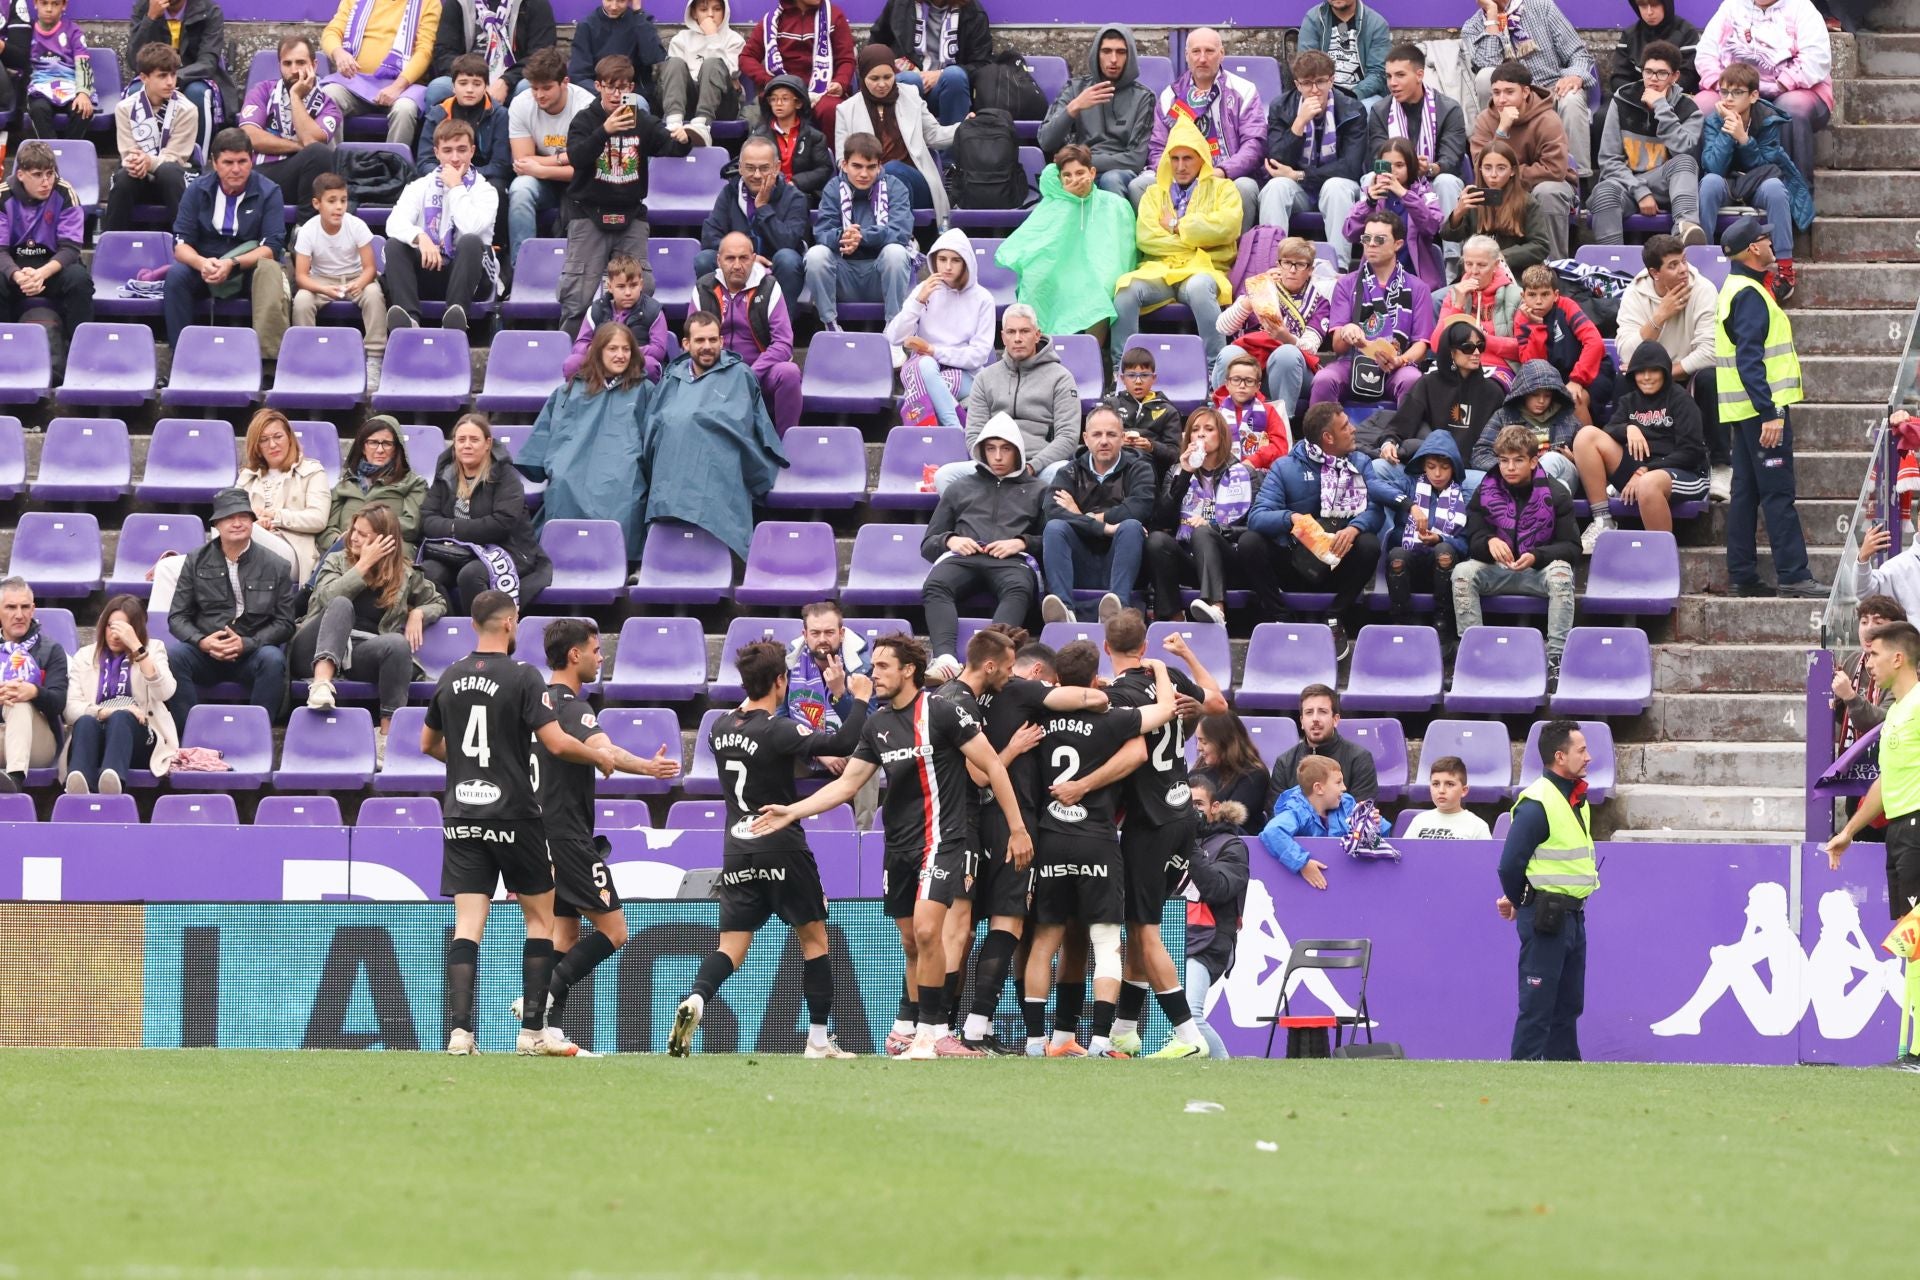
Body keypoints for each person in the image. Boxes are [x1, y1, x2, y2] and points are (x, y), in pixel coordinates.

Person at [753, 633, 1032, 1060]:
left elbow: (992, 764)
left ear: (909, 670)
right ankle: (910, 1029)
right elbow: (848, 783)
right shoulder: (877, 724)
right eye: (874, 666)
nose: (873, 673)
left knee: (927, 929)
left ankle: (933, 1032)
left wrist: (1017, 829)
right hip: (897, 843)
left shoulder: (941, 709)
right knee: (910, 942)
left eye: (883, 666)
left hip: (943, 838)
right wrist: (793, 811)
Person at [421, 589, 618, 1056]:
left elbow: (428, 743)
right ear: (510, 624)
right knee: (539, 921)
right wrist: (597, 755)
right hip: (515, 815)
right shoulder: (524, 676)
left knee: (468, 923)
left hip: (462, 814)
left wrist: (469, 770)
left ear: (474, 625)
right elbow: (555, 743)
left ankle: (460, 1034)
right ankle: (531, 1033)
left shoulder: (449, 676)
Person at [667, 638, 866, 1057]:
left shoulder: (719, 727)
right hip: (781, 844)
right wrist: (855, 697)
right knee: (814, 940)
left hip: (736, 849)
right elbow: (845, 742)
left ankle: (698, 997)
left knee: (731, 946)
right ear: (781, 681)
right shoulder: (779, 729)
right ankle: (816, 1041)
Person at [530, 617, 680, 1056]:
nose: (601, 657)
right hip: (569, 838)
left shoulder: (533, 706)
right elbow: (605, 751)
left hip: (539, 834)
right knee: (615, 930)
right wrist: (649, 768)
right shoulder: (572, 707)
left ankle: (546, 1035)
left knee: (564, 935)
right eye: (596, 650)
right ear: (574, 655)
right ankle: (539, 1005)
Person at [1023, 640, 1176, 1057]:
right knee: (1106, 943)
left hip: (1050, 838)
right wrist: (1160, 670)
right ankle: (1101, 1042)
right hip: (1096, 840)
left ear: (1056, 681)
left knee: (1046, 941)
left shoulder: (1039, 714)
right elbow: (1164, 710)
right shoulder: (1112, 718)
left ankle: (1038, 1042)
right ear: (1095, 681)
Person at [1103, 614, 1228, 1059]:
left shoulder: (1118, 696)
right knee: (1140, 925)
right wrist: (1183, 656)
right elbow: (1217, 703)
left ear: (1106, 646)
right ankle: (1124, 1031)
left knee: (1145, 929)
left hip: (1149, 820)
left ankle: (1187, 1036)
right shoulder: (1170, 677)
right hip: (1180, 809)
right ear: (1145, 644)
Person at [1827, 623, 1920, 1064]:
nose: (1869, 663)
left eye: (1876, 655)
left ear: (1898, 658)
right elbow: (1884, 782)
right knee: (1910, 936)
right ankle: (1913, 1049)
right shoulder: (1899, 711)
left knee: (1918, 936)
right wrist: (1848, 830)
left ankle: (1917, 1050)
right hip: (1899, 831)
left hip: (1918, 826)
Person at [1717, 215, 1822, 598]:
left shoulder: (1736, 288)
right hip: (1760, 413)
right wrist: (1770, 413)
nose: (1771, 241)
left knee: (1746, 493)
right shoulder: (1749, 294)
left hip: (1742, 412)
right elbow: (1750, 361)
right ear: (1752, 249)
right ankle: (1794, 574)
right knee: (1778, 493)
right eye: (1765, 237)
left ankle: (1743, 575)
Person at [634, 311, 787, 563]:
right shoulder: (672, 377)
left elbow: (743, 422)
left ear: (721, 341)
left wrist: (701, 421)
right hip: (673, 462)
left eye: (713, 340)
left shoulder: (740, 374)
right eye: (700, 340)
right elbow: (653, 424)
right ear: (686, 344)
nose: (707, 347)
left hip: (720, 458)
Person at [293, 504, 445, 756]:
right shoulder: (336, 560)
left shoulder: (404, 573)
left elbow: (437, 601)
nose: (353, 537)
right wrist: (362, 566)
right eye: (354, 530)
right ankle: (321, 684)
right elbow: (326, 598)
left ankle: (386, 736)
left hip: (357, 653)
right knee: (341, 603)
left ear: (385, 540)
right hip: (314, 647)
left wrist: (419, 612)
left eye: (364, 534)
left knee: (397, 643)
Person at [558, 54, 689, 336]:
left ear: (632, 89)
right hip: (588, 213)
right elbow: (576, 157)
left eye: (625, 87)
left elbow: (670, 147)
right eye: (611, 87)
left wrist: (684, 139)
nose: (618, 94)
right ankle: (568, 364)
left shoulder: (641, 120)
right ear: (598, 86)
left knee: (639, 293)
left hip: (630, 214)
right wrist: (605, 131)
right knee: (576, 296)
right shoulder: (585, 119)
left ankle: (638, 357)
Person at [1242, 403, 1388, 650]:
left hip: (1338, 564)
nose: (1353, 430)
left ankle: (1335, 615)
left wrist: (1355, 528)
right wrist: (1291, 518)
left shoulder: (1361, 463)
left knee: (1368, 543)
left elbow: (1376, 510)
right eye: (1345, 427)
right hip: (1293, 564)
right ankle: (1280, 617)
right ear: (1328, 437)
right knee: (1249, 542)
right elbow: (1257, 517)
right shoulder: (1285, 467)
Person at [1496, 718, 1598, 1061]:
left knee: (1568, 1005)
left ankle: (1565, 1073)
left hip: (1573, 916)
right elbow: (1510, 864)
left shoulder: (1575, 798)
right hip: (1545, 916)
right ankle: (1523, 1073)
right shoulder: (1538, 802)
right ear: (1559, 756)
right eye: (1581, 750)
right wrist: (1522, 900)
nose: (1589, 757)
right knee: (1538, 1006)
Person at [1111, 116, 1240, 377]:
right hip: (1159, 270)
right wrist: (1196, 239)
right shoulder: (1153, 193)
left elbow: (1227, 227)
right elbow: (1147, 238)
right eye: (1175, 158)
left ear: (1202, 159)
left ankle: (1217, 373)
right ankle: (1121, 372)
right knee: (1125, 289)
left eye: (1188, 158)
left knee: (1200, 288)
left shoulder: (1224, 189)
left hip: (1204, 268)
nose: (1180, 166)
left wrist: (1176, 225)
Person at [1456, 424, 1580, 682]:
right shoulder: (1486, 490)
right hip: (1497, 570)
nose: (1510, 467)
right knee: (1462, 573)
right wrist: (1489, 542)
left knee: (1561, 575)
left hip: (1536, 570)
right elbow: (1472, 537)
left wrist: (1537, 555)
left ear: (1534, 461)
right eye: (1504, 460)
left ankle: (1556, 660)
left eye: (1518, 460)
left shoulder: (1556, 493)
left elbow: (1571, 547)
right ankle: (1473, 656)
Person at [920, 415, 1047, 663]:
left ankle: (988, 661)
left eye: (1005, 449)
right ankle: (944, 659)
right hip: (962, 557)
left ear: (1018, 452)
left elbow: (1050, 541)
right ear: (982, 451)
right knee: (935, 584)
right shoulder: (960, 487)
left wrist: (1022, 542)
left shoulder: (1039, 489)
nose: (998, 456)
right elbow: (928, 543)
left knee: (1019, 587)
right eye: (991, 449)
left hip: (1011, 560)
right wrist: (950, 541)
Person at [516, 322, 648, 557]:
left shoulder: (644, 390)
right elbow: (550, 432)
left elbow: (652, 438)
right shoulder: (569, 391)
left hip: (622, 469)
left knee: (626, 488)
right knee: (563, 481)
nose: (620, 355)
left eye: (626, 349)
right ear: (598, 351)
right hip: (574, 468)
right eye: (613, 349)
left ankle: (621, 561)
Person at [167, 487, 298, 721]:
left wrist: (247, 644)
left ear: (252, 522)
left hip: (252, 652)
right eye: (229, 517)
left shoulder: (277, 565)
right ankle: (189, 736)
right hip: (207, 652)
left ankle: (257, 737)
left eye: (243, 517)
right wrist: (202, 642)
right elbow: (177, 617)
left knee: (273, 660)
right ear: (216, 524)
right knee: (174, 656)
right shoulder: (196, 561)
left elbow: (285, 623)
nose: (237, 523)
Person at [1616, 233, 1728, 501]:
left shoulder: (1702, 289)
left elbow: (1711, 352)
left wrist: (1662, 374)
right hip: (1650, 374)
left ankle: (1722, 465)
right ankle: (1625, 469)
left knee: (1712, 379)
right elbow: (1627, 351)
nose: (1683, 270)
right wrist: (1659, 316)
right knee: (1621, 379)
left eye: (1684, 261)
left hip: (1687, 373)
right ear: (1654, 272)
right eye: (1673, 265)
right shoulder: (1635, 293)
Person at [163, 128, 290, 359]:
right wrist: (202, 264)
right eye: (228, 162)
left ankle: (268, 361)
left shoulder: (269, 191)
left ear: (251, 160)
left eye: (242, 161)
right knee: (176, 277)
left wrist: (232, 263)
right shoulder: (197, 190)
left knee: (269, 272)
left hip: (248, 265)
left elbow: (271, 247)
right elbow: (180, 245)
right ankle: (180, 357)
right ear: (214, 162)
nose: (236, 169)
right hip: (207, 263)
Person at [1573, 343, 1710, 548]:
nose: (1646, 377)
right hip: (1640, 469)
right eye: (1640, 371)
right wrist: (1629, 428)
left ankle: (1660, 556)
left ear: (1664, 371)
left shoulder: (1681, 400)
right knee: (1586, 435)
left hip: (1683, 472)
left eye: (1653, 370)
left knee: (1648, 483)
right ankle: (1603, 520)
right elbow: (1610, 428)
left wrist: (1646, 470)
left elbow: (1691, 452)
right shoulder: (1630, 400)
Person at [995, 145, 1137, 343]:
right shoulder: (1054, 203)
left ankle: (1091, 354)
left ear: (1092, 172)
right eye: (1067, 175)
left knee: (1101, 290)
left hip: (1097, 273)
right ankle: (1044, 351)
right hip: (1060, 269)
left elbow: (1121, 253)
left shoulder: (1115, 204)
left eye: (1080, 172)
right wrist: (1066, 198)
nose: (1074, 179)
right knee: (1037, 282)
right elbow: (1038, 244)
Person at [1699, 60, 1813, 304]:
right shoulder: (1713, 121)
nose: (1729, 98)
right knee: (1708, 183)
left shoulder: (1768, 119)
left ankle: (1784, 268)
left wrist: (1744, 139)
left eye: (1737, 92)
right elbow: (1713, 166)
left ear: (1753, 96)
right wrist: (1728, 133)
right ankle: (1703, 259)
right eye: (1724, 91)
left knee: (1775, 189)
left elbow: (1764, 166)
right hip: (1726, 183)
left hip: (1758, 181)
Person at [418, 413, 554, 611]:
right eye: (461, 439)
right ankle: (454, 631)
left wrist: (454, 528)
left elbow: (501, 523)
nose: (467, 445)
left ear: (488, 443)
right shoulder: (446, 474)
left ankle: (481, 636)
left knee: (471, 575)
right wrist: (457, 530)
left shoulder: (505, 476)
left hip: (504, 549)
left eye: (474, 440)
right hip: (457, 551)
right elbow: (427, 518)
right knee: (427, 573)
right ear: (454, 444)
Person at [1133, 26, 1264, 230]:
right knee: (1139, 186)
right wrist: (1175, 172)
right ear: (1187, 56)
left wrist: (1223, 171)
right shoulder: (1171, 95)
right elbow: (1158, 147)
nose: (1202, 58)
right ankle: (1163, 250)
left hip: (1225, 175)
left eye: (1209, 51)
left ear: (1221, 54)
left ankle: (1237, 257)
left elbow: (1253, 144)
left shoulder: (1243, 90)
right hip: (1181, 172)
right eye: (1196, 51)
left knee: (1245, 187)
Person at [1040, 405, 1155, 625]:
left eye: (1111, 434)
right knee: (1054, 528)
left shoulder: (1139, 468)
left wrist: (1084, 516)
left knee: (1131, 526)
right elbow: (1052, 510)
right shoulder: (1069, 471)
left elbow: (1139, 508)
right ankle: (1065, 612)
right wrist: (1104, 528)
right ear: (1085, 438)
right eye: (1097, 434)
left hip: (1123, 559)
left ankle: (1116, 610)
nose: (1104, 441)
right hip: (1080, 557)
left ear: (1122, 438)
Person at [1696, 0, 1832, 184]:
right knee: (1701, 107)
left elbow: (1816, 59)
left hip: (1791, 87)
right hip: (1734, 88)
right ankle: (1702, 189)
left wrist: (1781, 84)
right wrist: (1725, 89)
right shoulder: (1731, 6)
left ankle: (1793, 195)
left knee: (1790, 110)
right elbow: (1706, 53)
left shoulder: (1802, 7)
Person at [1309, 210, 1434, 408]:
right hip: (1353, 361)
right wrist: (1347, 331)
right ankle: (1319, 439)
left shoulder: (1418, 288)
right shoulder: (1347, 284)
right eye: (1367, 238)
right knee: (1324, 379)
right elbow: (1338, 347)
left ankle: (1401, 438)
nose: (1371, 243)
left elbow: (1421, 345)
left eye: (1380, 239)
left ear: (1398, 244)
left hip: (1397, 365)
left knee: (1412, 381)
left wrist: (1399, 360)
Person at [385, 116, 498, 332]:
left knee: (471, 241)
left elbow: (471, 227)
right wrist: (420, 237)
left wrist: (456, 188)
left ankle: (456, 316)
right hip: (430, 269)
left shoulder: (485, 191)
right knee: (395, 245)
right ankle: (409, 320)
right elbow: (394, 222)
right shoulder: (419, 186)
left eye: (461, 149)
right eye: (447, 151)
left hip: (470, 275)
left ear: (472, 151)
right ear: (436, 153)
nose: (455, 158)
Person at [949, 304, 1080, 488]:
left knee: (1061, 471)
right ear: (1003, 337)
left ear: (1037, 335)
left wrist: (1032, 467)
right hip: (993, 464)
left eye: (1024, 331)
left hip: (1039, 466)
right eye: (1011, 332)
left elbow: (1068, 437)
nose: (1017, 338)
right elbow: (974, 434)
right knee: (945, 476)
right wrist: (990, 465)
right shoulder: (985, 378)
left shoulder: (1061, 378)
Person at [1258, 51, 1367, 268]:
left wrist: (1300, 175)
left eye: (1320, 82)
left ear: (1332, 80)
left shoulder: (1353, 109)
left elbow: (1350, 167)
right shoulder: (1282, 107)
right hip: (1300, 192)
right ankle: (1272, 268)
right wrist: (1299, 124)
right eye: (1307, 83)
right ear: (1297, 85)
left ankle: (1339, 269)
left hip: (1336, 185)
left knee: (1336, 187)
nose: (1315, 90)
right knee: (1275, 187)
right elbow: (1276, 160)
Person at [1591, 40, 1705, 247]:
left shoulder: (1689, 109)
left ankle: (1685, 232)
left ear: (1675, 76)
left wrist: (1661, 107)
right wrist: (1640, 191)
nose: (1653, 79)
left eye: (1661, 73)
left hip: (1667, 186)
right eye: (1648, 72)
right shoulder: (1622, 100)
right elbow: (1608, 160)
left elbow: (1684, 149)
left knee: (1685, 162)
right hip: (1627, 186)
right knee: (1603, 192)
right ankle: (1612, 268)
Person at [1463, 0, 1595, 176]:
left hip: (1551, 89)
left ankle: (1580, 178)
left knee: (1572, 97)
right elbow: (1488, 69)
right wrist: (1492, 17)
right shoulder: (1472, 28)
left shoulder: (1542, 6)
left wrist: (1575, 75)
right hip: (1508, 100)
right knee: (1485, 76)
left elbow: (1578, 54)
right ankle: (1499, 169)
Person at [61, 594, 174, 796]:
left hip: (139, 738)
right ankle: (79, 783)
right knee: (86, 720)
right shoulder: (85, 656)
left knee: (122, 718)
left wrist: (138, 650)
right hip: (96, 733)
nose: (114, 634)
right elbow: (70, 710)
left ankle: (112, 781)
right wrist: (107, 711)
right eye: (111, 626)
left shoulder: (153, 649)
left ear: (135, 630)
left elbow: (165, 692)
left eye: (123, 629)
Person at [1375, 314, 1505, 488]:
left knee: (1491, 482)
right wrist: (1389, 443)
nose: (1476, 352)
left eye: (1480, 347)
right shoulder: (1428, 383)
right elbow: (1401, 425)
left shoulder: (1492, 392)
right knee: (1378, 467)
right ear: (1451, 352)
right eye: (1468, 347)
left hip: (1467, 475)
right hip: (1427, 472)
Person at [803, 131, 914, 331]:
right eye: (857, 166)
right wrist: (843, 237)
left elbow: (901, 232)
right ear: (844, 164)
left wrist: (862, 236)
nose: (864, 174)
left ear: (880, 165)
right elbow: (823, 232)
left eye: (871, 167)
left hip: (881, 274)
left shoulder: (895, 187)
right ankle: (830, 325)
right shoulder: (833, 188)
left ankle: (894, 331)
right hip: (844, 274)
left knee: (896, 252)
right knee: (815, 255)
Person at [1468, 61, 1578, 261]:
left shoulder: (1547, 119)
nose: (1501, 99)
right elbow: (1480, 166)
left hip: (1546, 186)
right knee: (1473, 194)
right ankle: (1475, 266)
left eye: (1509, 92)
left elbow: (1554, 170)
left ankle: (1552, 268)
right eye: (1496, 92)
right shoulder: (1485, 120)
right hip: (1499, 186)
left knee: (1548, 192)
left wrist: (1510, 176)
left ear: (1525, 92)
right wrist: (1501, 131)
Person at [694, 231, 803, 434]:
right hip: (717, 370)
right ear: (718, 260)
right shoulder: (704, 289)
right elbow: (695, 342)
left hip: (760, 373)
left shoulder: (769, 287)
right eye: (730, 258)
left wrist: (750, 373)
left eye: (743, 258)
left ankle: (786, 446)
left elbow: (783, 343)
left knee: (789, 373)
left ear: (753, 259)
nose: (737, 265)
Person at [1174, 777, 1251, 1059]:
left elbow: (1218, 889)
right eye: (1186, 804)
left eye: (1198, 804)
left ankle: (1225, 1068)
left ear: (1215, 806)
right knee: (1170, 1022)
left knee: (1190, 1015)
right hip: (1170, 938)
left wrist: (1189, 849)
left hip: (1212, 941)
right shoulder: (1166, 841)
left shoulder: (1232, 845)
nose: (1192, 811)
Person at [886, 227, 993, 430]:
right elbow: (894, 336)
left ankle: (933, 429)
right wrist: (918, 302)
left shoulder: (983, 299)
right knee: (925, 366)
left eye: (956, 260)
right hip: (924, 369)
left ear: (966, 263)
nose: (948, 267)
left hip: (965, 376)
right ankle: (955, 428)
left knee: (924, 373)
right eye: (942, 259)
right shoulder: (924, 290)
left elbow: (978, 356)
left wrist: (934, 351)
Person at [1366, 44, 1468, 249]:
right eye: (1388, 77)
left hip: (1432, 178)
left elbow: (1452, 157)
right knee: (1369, 179)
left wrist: (1429, 168)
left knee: (1447, 182)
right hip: (1394, 177)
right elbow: (1377, 157)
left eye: (1400, 75)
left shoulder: (1449, 109)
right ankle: (1377, 247)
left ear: (1419, 75)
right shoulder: (1379, 110)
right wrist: (1404, 169)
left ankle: (1451, 262)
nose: (1392, 83)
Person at [1035, 24, 1154, 198]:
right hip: (1078, 169)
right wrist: (1074, 107)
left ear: (1130, 56)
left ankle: (1115, 226)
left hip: (1117, 172)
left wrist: (1079, 162)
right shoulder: (1075, 89)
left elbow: (1136, 160)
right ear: (1096, 55)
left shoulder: (1143, 97)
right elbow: (1046, 141)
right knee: (1050, 175)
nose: (1113, 59)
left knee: (1110, 179)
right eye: (1106, 51)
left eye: (1121, 52)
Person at [0, 141, 90, 371]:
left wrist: (41, 274)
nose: (46, 181)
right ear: (20, 174)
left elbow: (70, 248)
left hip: (53, 267)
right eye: (37, 175)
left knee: (79, 279)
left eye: (50, 174)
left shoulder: (65, 192)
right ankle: (5, 354)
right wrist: (18, 276)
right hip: (15, 267)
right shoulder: (3, 196)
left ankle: (79, 357)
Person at [1212, 236, 1333, 408]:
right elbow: (1222, 327)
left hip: (1292, 373)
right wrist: (1252, 298)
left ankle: (1283, 422)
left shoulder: (1319, 302)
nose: (1292, 270)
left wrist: (1286, 337)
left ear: (1310, 270)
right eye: (1287, 263)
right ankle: (1227, 420)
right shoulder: (1262, 288)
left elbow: (1311, 348)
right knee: (1229, 354)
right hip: (1252, 369)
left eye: (1300, 264)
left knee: (1286, 354)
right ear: (1278, 264)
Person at [836, 44, 953, 220]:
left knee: (893, 170)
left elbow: (934, 136)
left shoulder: (911, 95)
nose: (882, 84)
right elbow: (842, 160)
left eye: (888, 77)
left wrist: (965, 127)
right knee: (887, 173)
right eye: (874, 78)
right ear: (862, 77)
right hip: (868, 185)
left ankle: (898, 232)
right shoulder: (846, 109)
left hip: (916, 183)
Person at [696, 135, 809, 310]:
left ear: (777, 167)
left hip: (774, 265)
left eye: (764, 168)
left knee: (788, 259)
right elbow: (710, 237)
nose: (756, 175)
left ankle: (780, 330)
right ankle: (716, 325)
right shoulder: (729, 194)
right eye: (750, 168)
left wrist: (763, 207)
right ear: (740, 168)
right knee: (704, 259)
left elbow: (788, 242)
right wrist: (745, 257)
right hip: (737, 263)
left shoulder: (795, 197)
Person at [292, 172, 387, 377]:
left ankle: (374, 357)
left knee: (373, 294)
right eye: (332, 201)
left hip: (356, 276)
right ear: (317, 203)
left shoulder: (356, 225)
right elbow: (301, 276)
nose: (339, 207)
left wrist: (360, 283)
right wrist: (323, 288)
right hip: (320, 281)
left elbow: (370, 268)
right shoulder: (308, 231)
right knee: (302, 301)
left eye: (343, 200)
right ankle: (308, 356)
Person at [504, 48, 590, 273]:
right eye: (534, 88)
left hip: (580, 181)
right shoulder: (522, 104)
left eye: (547, 88)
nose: (539, 95)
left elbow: (588, 168)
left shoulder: (586, 106)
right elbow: (522, 162)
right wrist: (566, 160)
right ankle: (521, 270)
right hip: (542, 179)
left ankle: (580, 272)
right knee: (520, 189)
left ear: (565, 82)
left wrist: (543, 168)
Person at [239, 36, 345, 214]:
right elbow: (249, 136)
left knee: (319, 154)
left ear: (314, 65)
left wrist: (295, 97)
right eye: (287, 63)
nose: (294, 70)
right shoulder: (262, 91)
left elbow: (311, 141)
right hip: (262, 174)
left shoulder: (328, 105)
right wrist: (297, 147)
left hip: (304, 178)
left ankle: (303, 228)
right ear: (279, 65)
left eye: (301, 62)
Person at [1381, 431, 1470, 641]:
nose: (1438, 473)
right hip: (1409, 566)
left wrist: (1441, 539)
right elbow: (1375, 488)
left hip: (1444, 568)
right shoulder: (1409, 485)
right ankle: (1401, 622)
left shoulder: (1465, 495)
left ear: (1454, 467)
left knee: (1444, 551)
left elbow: (1467, 545)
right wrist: (1410, 506)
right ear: (1423, 466)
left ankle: (1443, 622)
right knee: (1397, 556)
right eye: (1431, 467)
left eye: (1444, 467)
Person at [319, 0, 443, 146]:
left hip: (403, 88)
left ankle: (393, 164)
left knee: (405, 109)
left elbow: (424, 51)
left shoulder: (429, 3)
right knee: (328, 95)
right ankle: (329, 165)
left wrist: (397, 87)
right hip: (355, 83)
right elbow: (332, 32)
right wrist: (338, 53)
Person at [105, 42, 199, 234]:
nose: (171, 82)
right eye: (162, 76)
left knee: (168, 172)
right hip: (138, 175)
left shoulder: (187, 109)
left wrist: (149, 162)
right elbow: (128, 152)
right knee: (124, 177)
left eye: (173, 74)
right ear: (144, 77)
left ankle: (187, 242)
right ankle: (113, 244)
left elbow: (176, 157)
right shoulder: (124, 108)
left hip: (176, 178)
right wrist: (138, 162)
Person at [129, 0, 237, 160]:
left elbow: (208, 62)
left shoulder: (208, 10)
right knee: (136, 91)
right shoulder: (144, 8)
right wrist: (150, 19)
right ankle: (140, 162)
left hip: (196, 77)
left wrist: (173, 78)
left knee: (197, 93)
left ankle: (197, 163)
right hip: (155, 75)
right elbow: (134, 61)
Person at [236, 408, 332, 584]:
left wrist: (275, 517)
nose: (272, 445)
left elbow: (318, 519)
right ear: (256, 447)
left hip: (293, 554)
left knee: (237, 527)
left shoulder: (312, 472)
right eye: (264, 440)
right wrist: (256, 524)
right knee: (169, 568)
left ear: (289, 437)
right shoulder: (246, 477)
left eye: (278, 437)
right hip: (250, 548)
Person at [739, 0, 854, 142]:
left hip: (822, 92)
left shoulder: (834, 16)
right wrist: (769, 81)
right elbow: (746, 57)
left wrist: (840, 82)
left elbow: (846, 59)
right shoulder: (772, 20)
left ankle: (831, 162)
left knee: (831, 110)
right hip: (783, 90)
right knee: (762, 111)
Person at [1260, 755, 1382, 887]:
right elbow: (1272, 832)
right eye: (1338, 782)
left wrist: (1372, 824)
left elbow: (1374, 844)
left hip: (1346, 882)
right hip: (1307, 888)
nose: (1344, 787)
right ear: (1318, 788)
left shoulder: (1346, 804)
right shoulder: (1297, 811)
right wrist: (1303, 863)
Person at [1341, 136, 1443, 292]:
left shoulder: (1423, 192)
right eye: (1387, 166)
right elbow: (1350, 233)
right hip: (1374, 283)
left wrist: (1405, 194)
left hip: (1416, 281)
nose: (1393, 171)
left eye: (1399, 165)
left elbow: (1432, 227)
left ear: (1411, 166)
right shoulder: (1371, 193)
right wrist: (1368, 203)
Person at [1513, 264, 1611, 426]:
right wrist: (1536, 327)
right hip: (1553, 379)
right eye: (1532, 295)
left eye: (1545, 294)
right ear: (1523, 296)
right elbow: (1532, 365)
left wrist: (1577, 380)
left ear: (1556, 295)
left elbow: (1594, 342)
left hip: (1591, 371)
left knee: (1573, 399)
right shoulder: (1522, 318)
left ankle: (1589, 446)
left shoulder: (1567, 306)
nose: (1538, 301)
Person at [866, 0, 989, 127]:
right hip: (907, 82)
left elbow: (982, 63)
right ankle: (908, 145)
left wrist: (940, 74)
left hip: (947, 89)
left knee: (954, 76)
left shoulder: (972, 10)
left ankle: (952, 144)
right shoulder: (900, 4)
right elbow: (875, 46)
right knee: (910, 79)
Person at [1441, 140, 1553, 278]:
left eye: (1501, 168)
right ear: (1480, 169)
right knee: (1437, 299)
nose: (1493, 174)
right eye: (1487, 168)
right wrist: (1458, 212)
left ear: (1512, 171)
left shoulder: (1526, 202)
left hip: (1512, 276)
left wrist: (1500, 256)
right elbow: (1449, 236)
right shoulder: (1473, 199)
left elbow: (1541, 246)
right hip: (1474, 277)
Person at [1470, 358, 1583, 490]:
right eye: (1535, 395)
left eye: (1547, 395)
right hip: (1525, 483)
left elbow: (1589, 457)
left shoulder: (1567, 419)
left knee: (1552, 459)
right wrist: (1512, 467)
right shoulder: (1504, 417)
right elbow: (1480, 454)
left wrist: (1575, 458)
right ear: (1523, 393)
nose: (1541, 401)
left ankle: (1530, 497)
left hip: (1563, 474)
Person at [320, 416, 427, 555]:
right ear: (363, 447)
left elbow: (412, 526)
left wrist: (369, 532)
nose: (380, 450)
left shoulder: (413, 483)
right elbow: (327, 529)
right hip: (346, 550)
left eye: (387, 443)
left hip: (389, 551)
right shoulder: (345, 484)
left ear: (396, 448)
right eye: (373, 442)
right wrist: (337, 541)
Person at [424, 0, 557, 107]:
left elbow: (541, 55)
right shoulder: (458, 3)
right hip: (467, 77)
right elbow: (443, 52)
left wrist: (506, 81)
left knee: (528, 88)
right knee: (438, 88)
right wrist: (473, 82)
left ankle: (520, 139)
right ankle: (448, 138)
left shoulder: (535, 4)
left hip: (514, 81)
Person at [559, 250, 667, 382]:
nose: (628, 292)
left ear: (641, 285)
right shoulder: (596, 309)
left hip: (634, 363)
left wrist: (626, 352)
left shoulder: (654, 311)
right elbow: (580, 345)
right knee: (573, 363)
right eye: (621, 286)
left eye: (633, 285)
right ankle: (583, 400)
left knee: (650, 365)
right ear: (609, 286)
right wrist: (603, 351)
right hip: (602, 363)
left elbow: (659, 350)